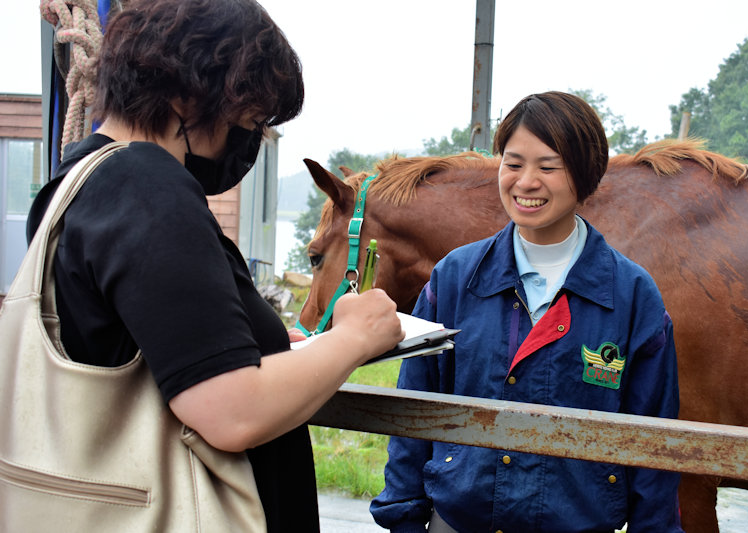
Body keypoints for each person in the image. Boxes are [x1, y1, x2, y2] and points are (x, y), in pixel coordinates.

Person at [26, 1, 403, 531]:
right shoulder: (147, 189)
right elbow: (231, 409)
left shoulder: (78, 177)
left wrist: (266, 346)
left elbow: (149, 343)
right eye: (249, 120)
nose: (247, 142)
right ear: (187, 89)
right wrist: (356, 335)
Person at [370, 92, 683, 533]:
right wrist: (403, 517)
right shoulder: (456, 279)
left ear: (585, 174)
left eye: (547, 167)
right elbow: (414, 413)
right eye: (513, 164)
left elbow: (654, 443)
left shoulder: (632, 295)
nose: (526, 182)